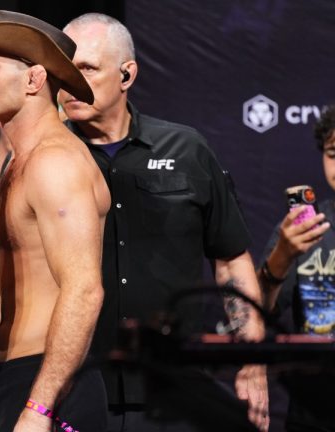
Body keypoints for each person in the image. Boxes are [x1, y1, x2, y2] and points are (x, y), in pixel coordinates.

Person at [59, 13, 269, 431]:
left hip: (172, 389)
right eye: (65, 71)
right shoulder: (48, 156)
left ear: (126, 74)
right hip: (74, 389)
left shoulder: (187, 149)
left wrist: (252, 362)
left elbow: (231, 260)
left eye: (88, 69)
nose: (72, 83)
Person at [0, 10, 110, 432]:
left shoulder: (55, 162)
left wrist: (39, 409)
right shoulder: (23, 161)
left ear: (34, 80)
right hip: (18, 379)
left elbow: (84, 289)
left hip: (51, 385)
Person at [258, 105, 335, 431]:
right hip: (315, 411)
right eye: (333, 152)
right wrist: (282, 257)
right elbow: (254, 313)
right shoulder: (304, 229)